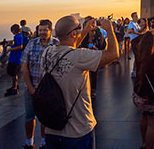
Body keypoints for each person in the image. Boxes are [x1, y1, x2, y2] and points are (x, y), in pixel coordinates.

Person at [41, 15, 119, 149]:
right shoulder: (80, 56)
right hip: (77, 131)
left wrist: (84, 31)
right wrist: (110, 29)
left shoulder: (47, 52)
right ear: (73, 33)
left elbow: (68, 47)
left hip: (52, 129)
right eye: (79, 27)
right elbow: (113, 54)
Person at [21, 19, 59, 149]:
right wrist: (30, 88)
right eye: (40, 30)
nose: (42, 32)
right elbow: (24, 67)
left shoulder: (56, 44)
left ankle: (44, 142)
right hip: (31, 87)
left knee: (45, 117)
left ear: (50, 30)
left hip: (49, 89)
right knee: (29, 116)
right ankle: (29, 142)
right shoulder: (31, 44)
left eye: (45, 30)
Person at [79, 17, 107, 99]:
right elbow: (81, 45)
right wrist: (90, 40)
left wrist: (99, 36)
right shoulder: (83, 34)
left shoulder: (97, 33)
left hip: (94, 57)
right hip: (84, 57)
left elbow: (102, 45)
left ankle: (93, 90)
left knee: (94, 74)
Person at [5, 24, 24, 96]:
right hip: (13, 58)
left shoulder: (19, 36)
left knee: (13, 73)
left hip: (16, 59)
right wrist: (10, 45)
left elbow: (20, 46)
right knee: (11, 73)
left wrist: (10, 49)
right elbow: (15, 44)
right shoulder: (16, 37)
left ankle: (15, 87)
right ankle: (14, 86)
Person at [129, 12, 143, 78]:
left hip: (138, 41)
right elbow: (132, 31)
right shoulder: (131, 24)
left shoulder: (137, 24)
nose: (137, 17)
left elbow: (139, 30)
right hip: (134, 42)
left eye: (137, 16)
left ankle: (136, 70)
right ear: (132, 17)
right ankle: (133, 71)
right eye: (135, 16)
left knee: (138, 56)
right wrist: (140, 34)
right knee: (137, 56)